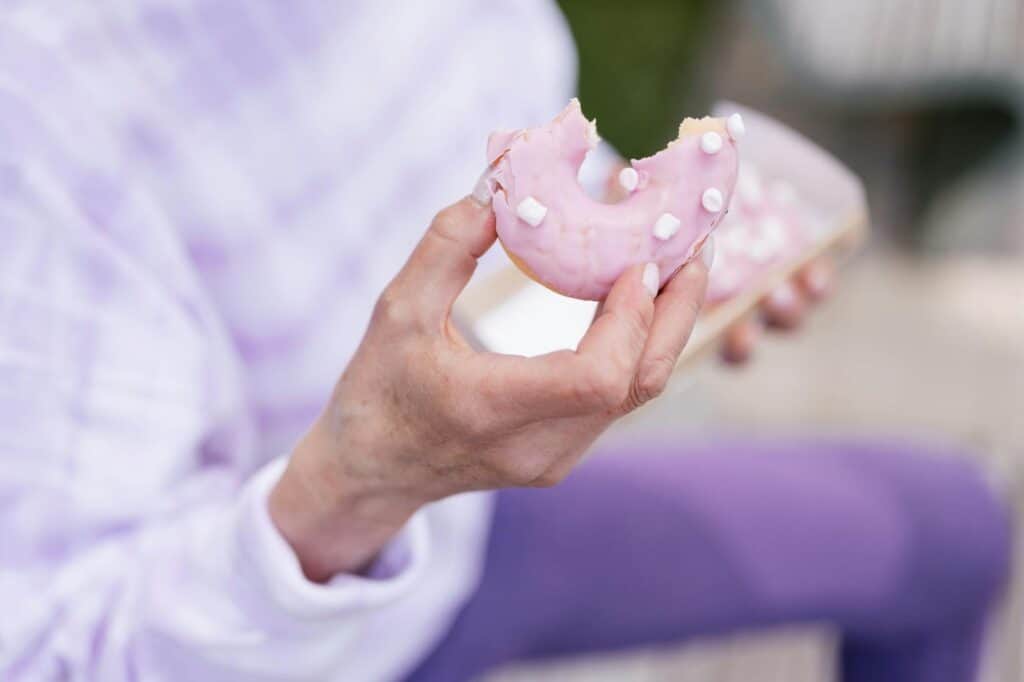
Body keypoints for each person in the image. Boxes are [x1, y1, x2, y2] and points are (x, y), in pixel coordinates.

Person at [0, 2, 1009, 681]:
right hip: (317, 634)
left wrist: (634, 250)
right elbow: (54, 647)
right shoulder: (41, 108)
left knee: (954, 528)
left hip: (480, 525)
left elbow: (526, 156)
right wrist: (359, 485)